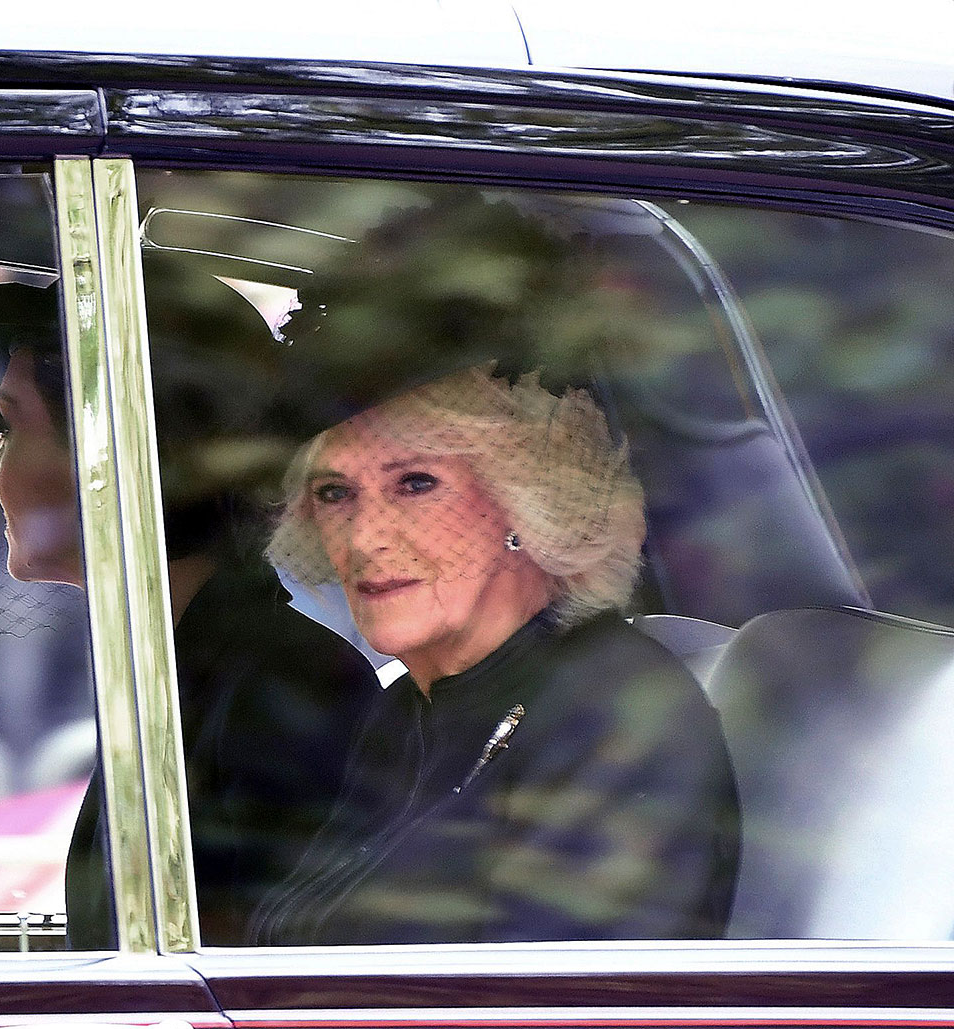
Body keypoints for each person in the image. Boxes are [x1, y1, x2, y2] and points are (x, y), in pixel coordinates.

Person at [0, 255, 381, 949]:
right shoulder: (194, 665)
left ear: (111, 457)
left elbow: (195, 1018)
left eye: (15, 426)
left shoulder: (272, 697)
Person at [244, 195, 741, 946]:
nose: (365, 536)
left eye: (416, 483)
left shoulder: (618, 716)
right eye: (335, 493)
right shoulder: (406, 712)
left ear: (526, 499)